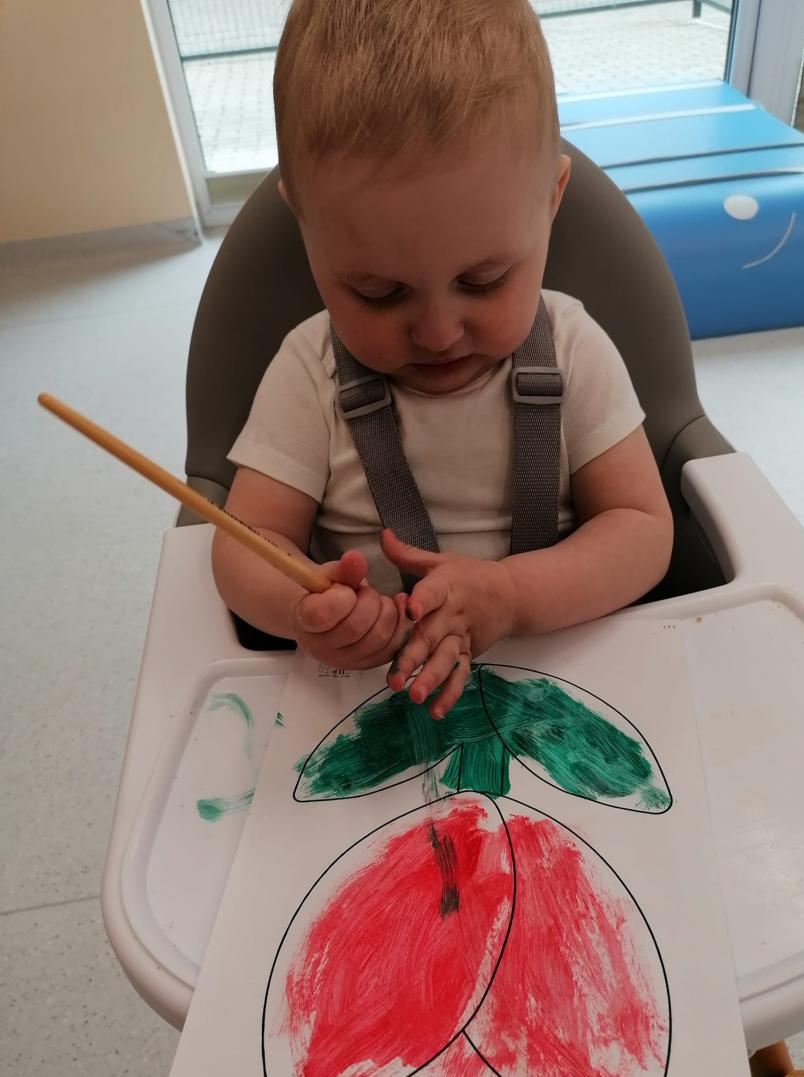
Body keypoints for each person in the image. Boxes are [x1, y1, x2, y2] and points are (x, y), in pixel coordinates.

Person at [211, 0, 673, 720]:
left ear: (550, 201)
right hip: (365, 704)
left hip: (559, 691)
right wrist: (304, 605)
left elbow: (642, 529)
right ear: (306, 228)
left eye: (483, 281)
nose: (436, 332)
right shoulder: (309, 371)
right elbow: (243, 546)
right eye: (379, 293)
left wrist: (515, 596)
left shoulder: (573, 349)